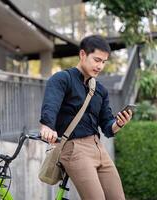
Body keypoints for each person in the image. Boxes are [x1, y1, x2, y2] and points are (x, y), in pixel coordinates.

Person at [39, 35, 132, 200]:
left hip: (99, 148)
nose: (100, 66)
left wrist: (119, 123)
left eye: (104, 62)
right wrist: (47, 126)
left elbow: (107, 127)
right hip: (74, 149)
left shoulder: (100, 90)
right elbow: (50, 106)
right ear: (83, 54)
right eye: (97, 60)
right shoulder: (62, 79)